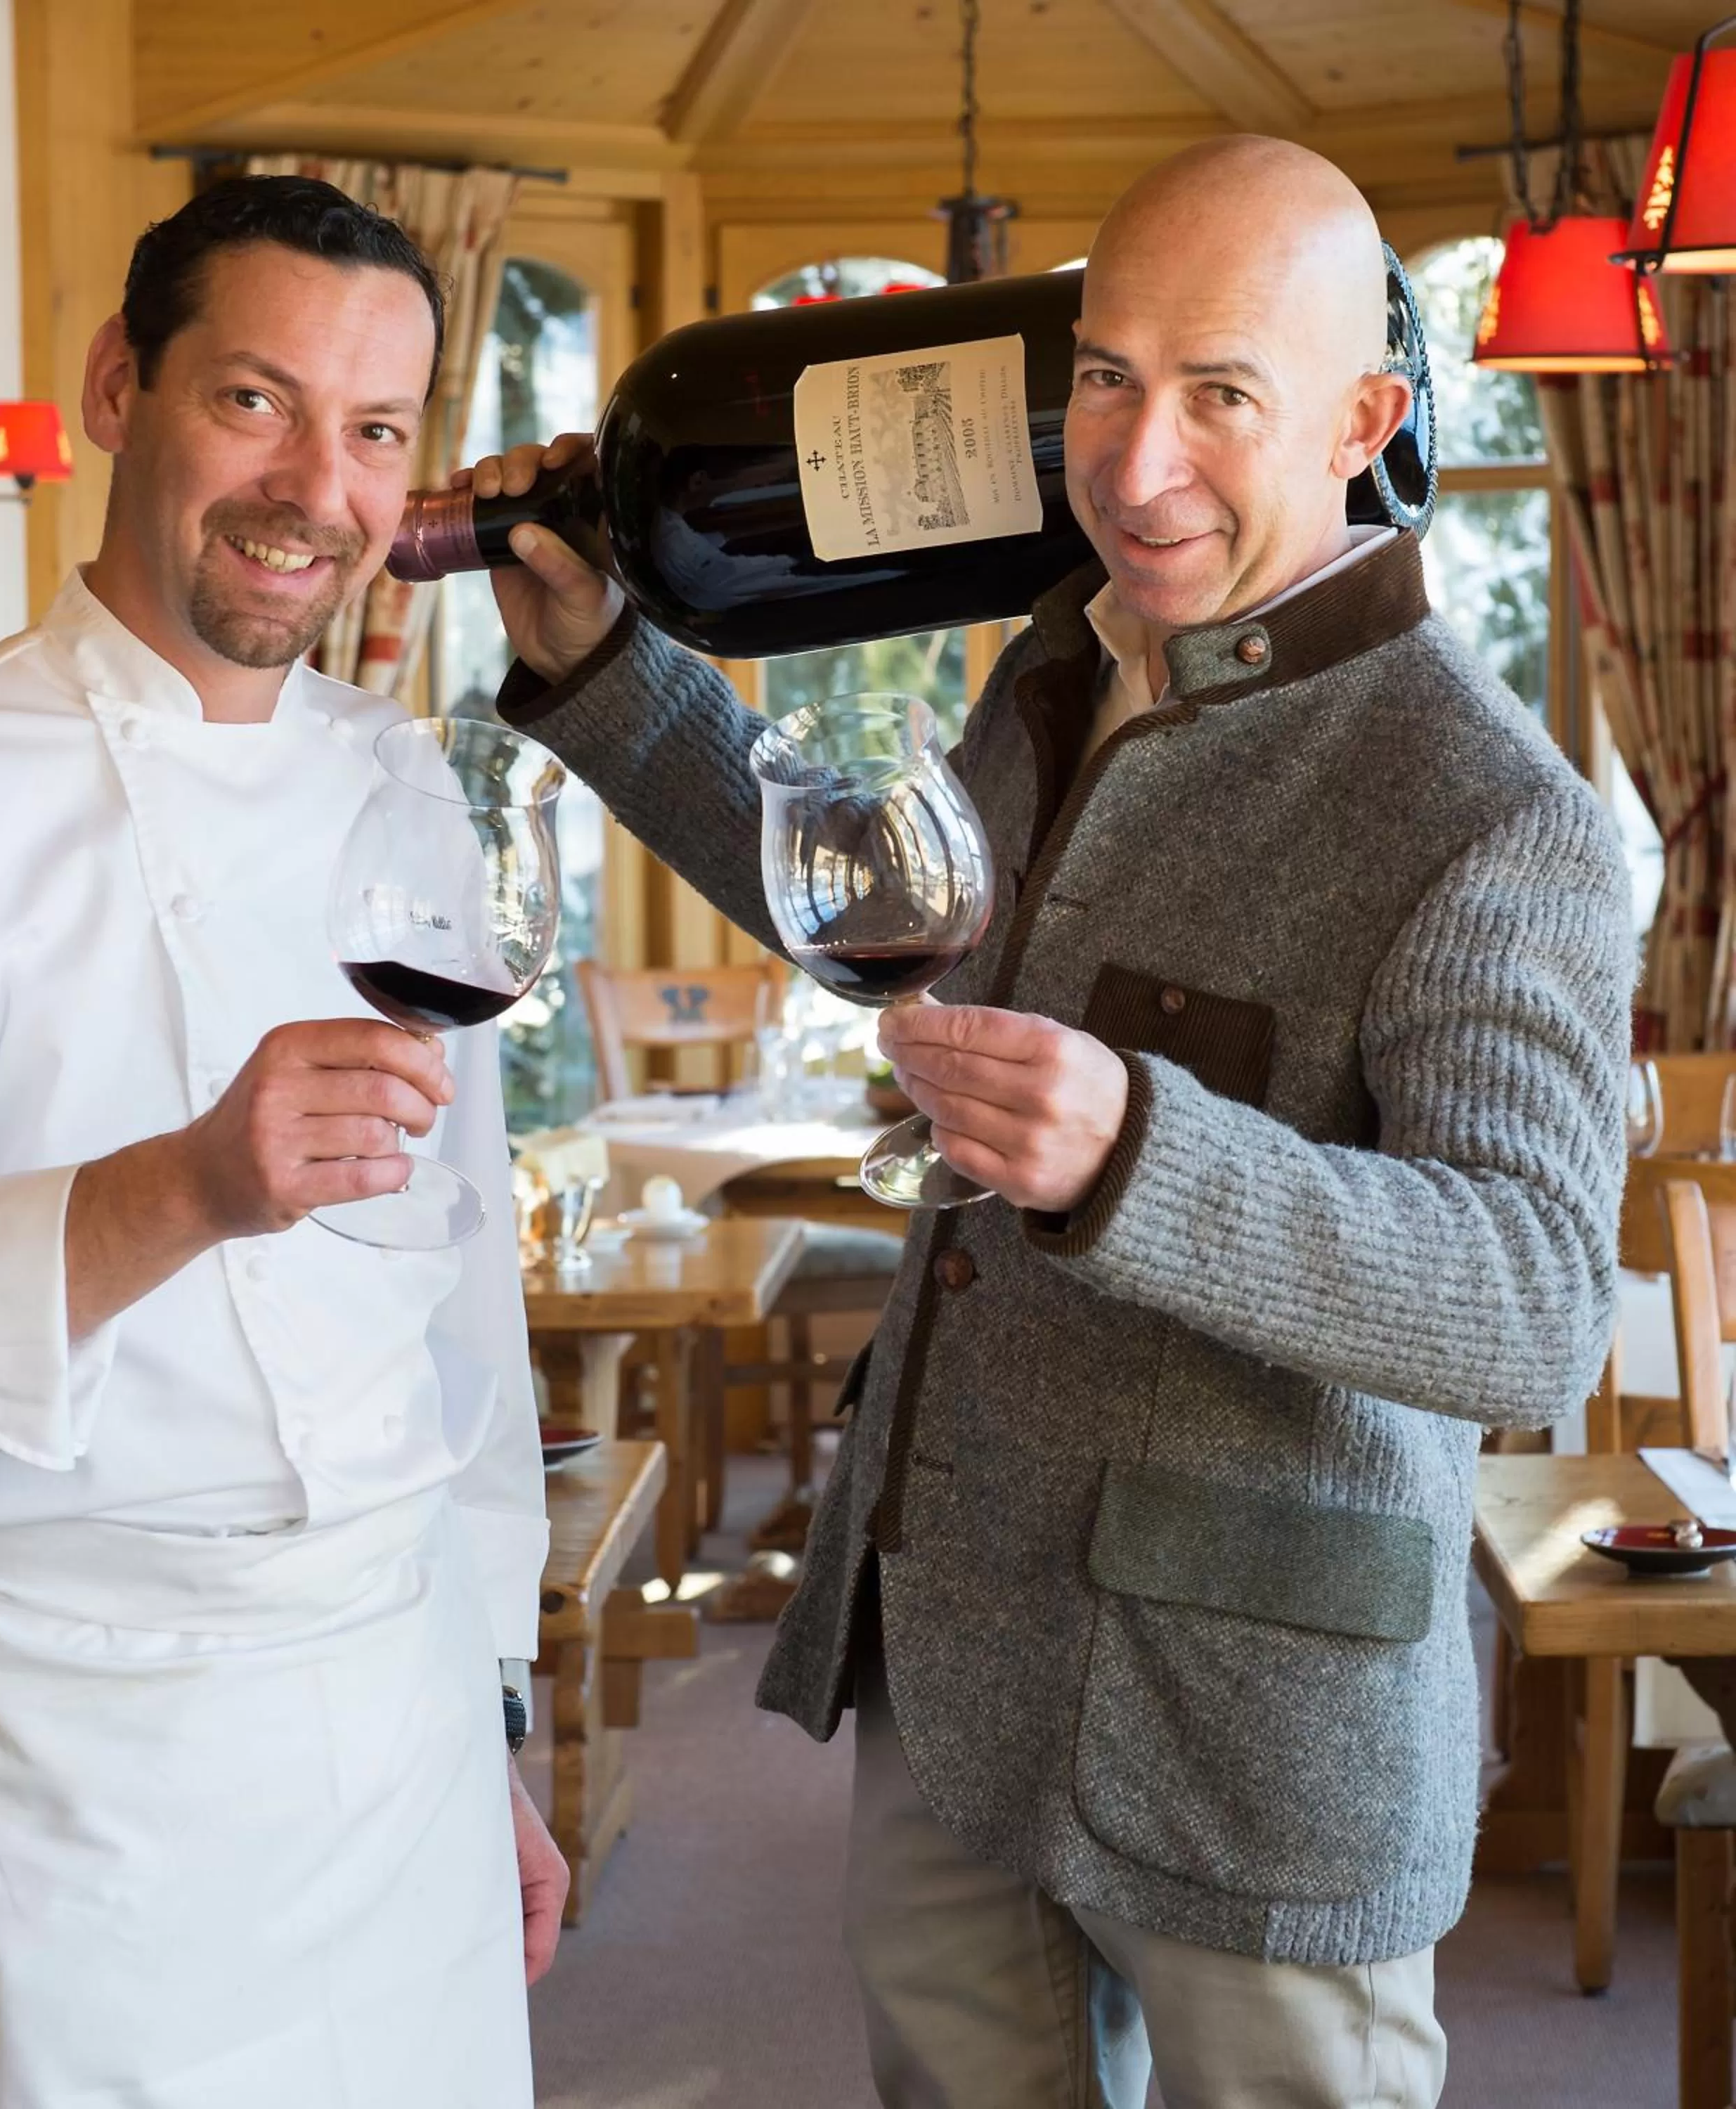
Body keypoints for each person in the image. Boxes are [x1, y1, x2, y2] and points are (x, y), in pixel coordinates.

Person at [469, 137, 1633, 2107]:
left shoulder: (1495, 812)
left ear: (1363, 421)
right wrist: (601, 665)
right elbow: (872, 898)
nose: (1136, 461)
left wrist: (1136, 1158)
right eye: (1106, 377)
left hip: (1257, 1742)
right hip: (959, 1651)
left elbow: (1530, 1305)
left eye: (1222, 393)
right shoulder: (1059, 661)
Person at [0, 175, 566, 2109]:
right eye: (255, 402)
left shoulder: (403, 791)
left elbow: (458, 1317)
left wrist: (493, 1723)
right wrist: (181, 1190)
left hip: (395, 1720)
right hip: (68, 1762)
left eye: (375, 432)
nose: (316, 491)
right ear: (120, 387)